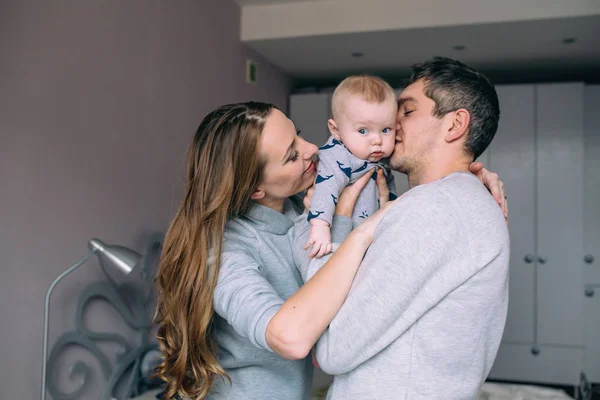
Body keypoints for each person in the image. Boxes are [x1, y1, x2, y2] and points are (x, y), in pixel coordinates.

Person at [153, 98, 507, 399]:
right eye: (292, 155)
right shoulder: (227, 253)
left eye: (300, 135)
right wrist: (361, 231)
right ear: (256, 190)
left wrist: (462, 179)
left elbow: (374, 157)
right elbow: (289, 338)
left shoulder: (302, 211)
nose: (312, 150)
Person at [301, 57, 510, 400]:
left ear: (455, 124)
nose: (392, 124)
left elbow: (332, 348)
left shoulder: (432, 209)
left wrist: (332, 226)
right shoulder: (467, 200)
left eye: (407, 112)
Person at [305, 75, 397, 258]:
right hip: (337, 237)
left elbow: (389, 191)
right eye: (363, 131)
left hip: (368, 240)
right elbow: (325, 188)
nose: (377, 141)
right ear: (336, 130)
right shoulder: (337, 154)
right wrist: (320, 226)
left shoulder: (380, 158)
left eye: (386, 130)